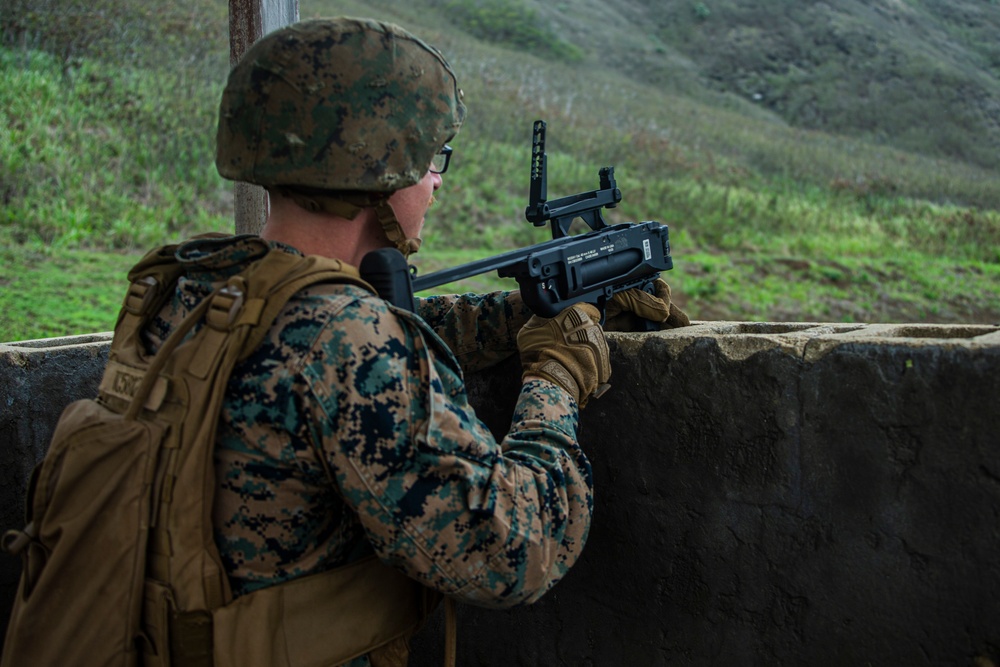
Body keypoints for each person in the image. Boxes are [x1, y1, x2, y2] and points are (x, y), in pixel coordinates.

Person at [146, 16, 687, 666]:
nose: (436, 181)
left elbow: (372, 326)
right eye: (429, 161)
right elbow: (513, 550)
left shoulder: (196, 286)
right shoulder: (343, 339)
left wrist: (529, 305)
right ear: (373, 167)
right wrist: (559, 372)